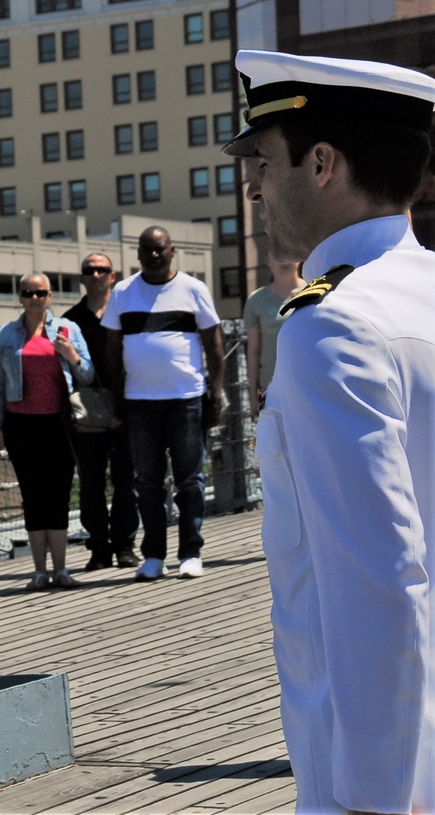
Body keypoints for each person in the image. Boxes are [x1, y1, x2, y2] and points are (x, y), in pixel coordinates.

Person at [224, 49, 435, 814]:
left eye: (263, 159)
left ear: (321, 163)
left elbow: (383, 583)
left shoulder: (333, 328)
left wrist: (373, 798)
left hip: (386, 782)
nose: (252, 185)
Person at [102, 227, 224, 582]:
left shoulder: (194, 289)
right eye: (147, 251)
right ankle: (154, 555)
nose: (154, 256)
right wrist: (117, 395)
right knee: (148, 483)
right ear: (138, 255)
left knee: (190, 480)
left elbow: (214, 345)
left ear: (172, 251)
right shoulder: (122, 293)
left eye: (159, 250)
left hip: (186, 399)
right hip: (140, 402)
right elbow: (111, 349)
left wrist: (216, 393)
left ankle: (191, 553)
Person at [0, 272, 95, 590]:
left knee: (59, 495)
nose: (34, 298)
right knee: (32, 496)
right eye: (28, 293)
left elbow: (89, 375)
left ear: (50, 296)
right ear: (19, 298)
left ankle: (61, 569)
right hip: (21, 424)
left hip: (59, 423)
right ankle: (39, 571)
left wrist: (71, 356)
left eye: (41, 293)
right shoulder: (7, 335)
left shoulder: (68, 330)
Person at [61, 253, 139, 570]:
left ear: (113, 275)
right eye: (89, 271)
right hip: (87, 412)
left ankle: (125, 546)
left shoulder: (128, 313)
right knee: (91, 483)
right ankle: (99, 549)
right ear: (81, 278)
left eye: (102, 270)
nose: (96, 275)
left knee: (126, 480)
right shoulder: (70, 320)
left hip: (126, 406)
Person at [241, 258, 305, 419]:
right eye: (278, 254)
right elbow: (254, 351)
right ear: (268, 260)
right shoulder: (256, 300)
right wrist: (252, 395)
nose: (284, 260)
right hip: (271, 390)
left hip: (309, 386)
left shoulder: (318, 291)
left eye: (288, 252)